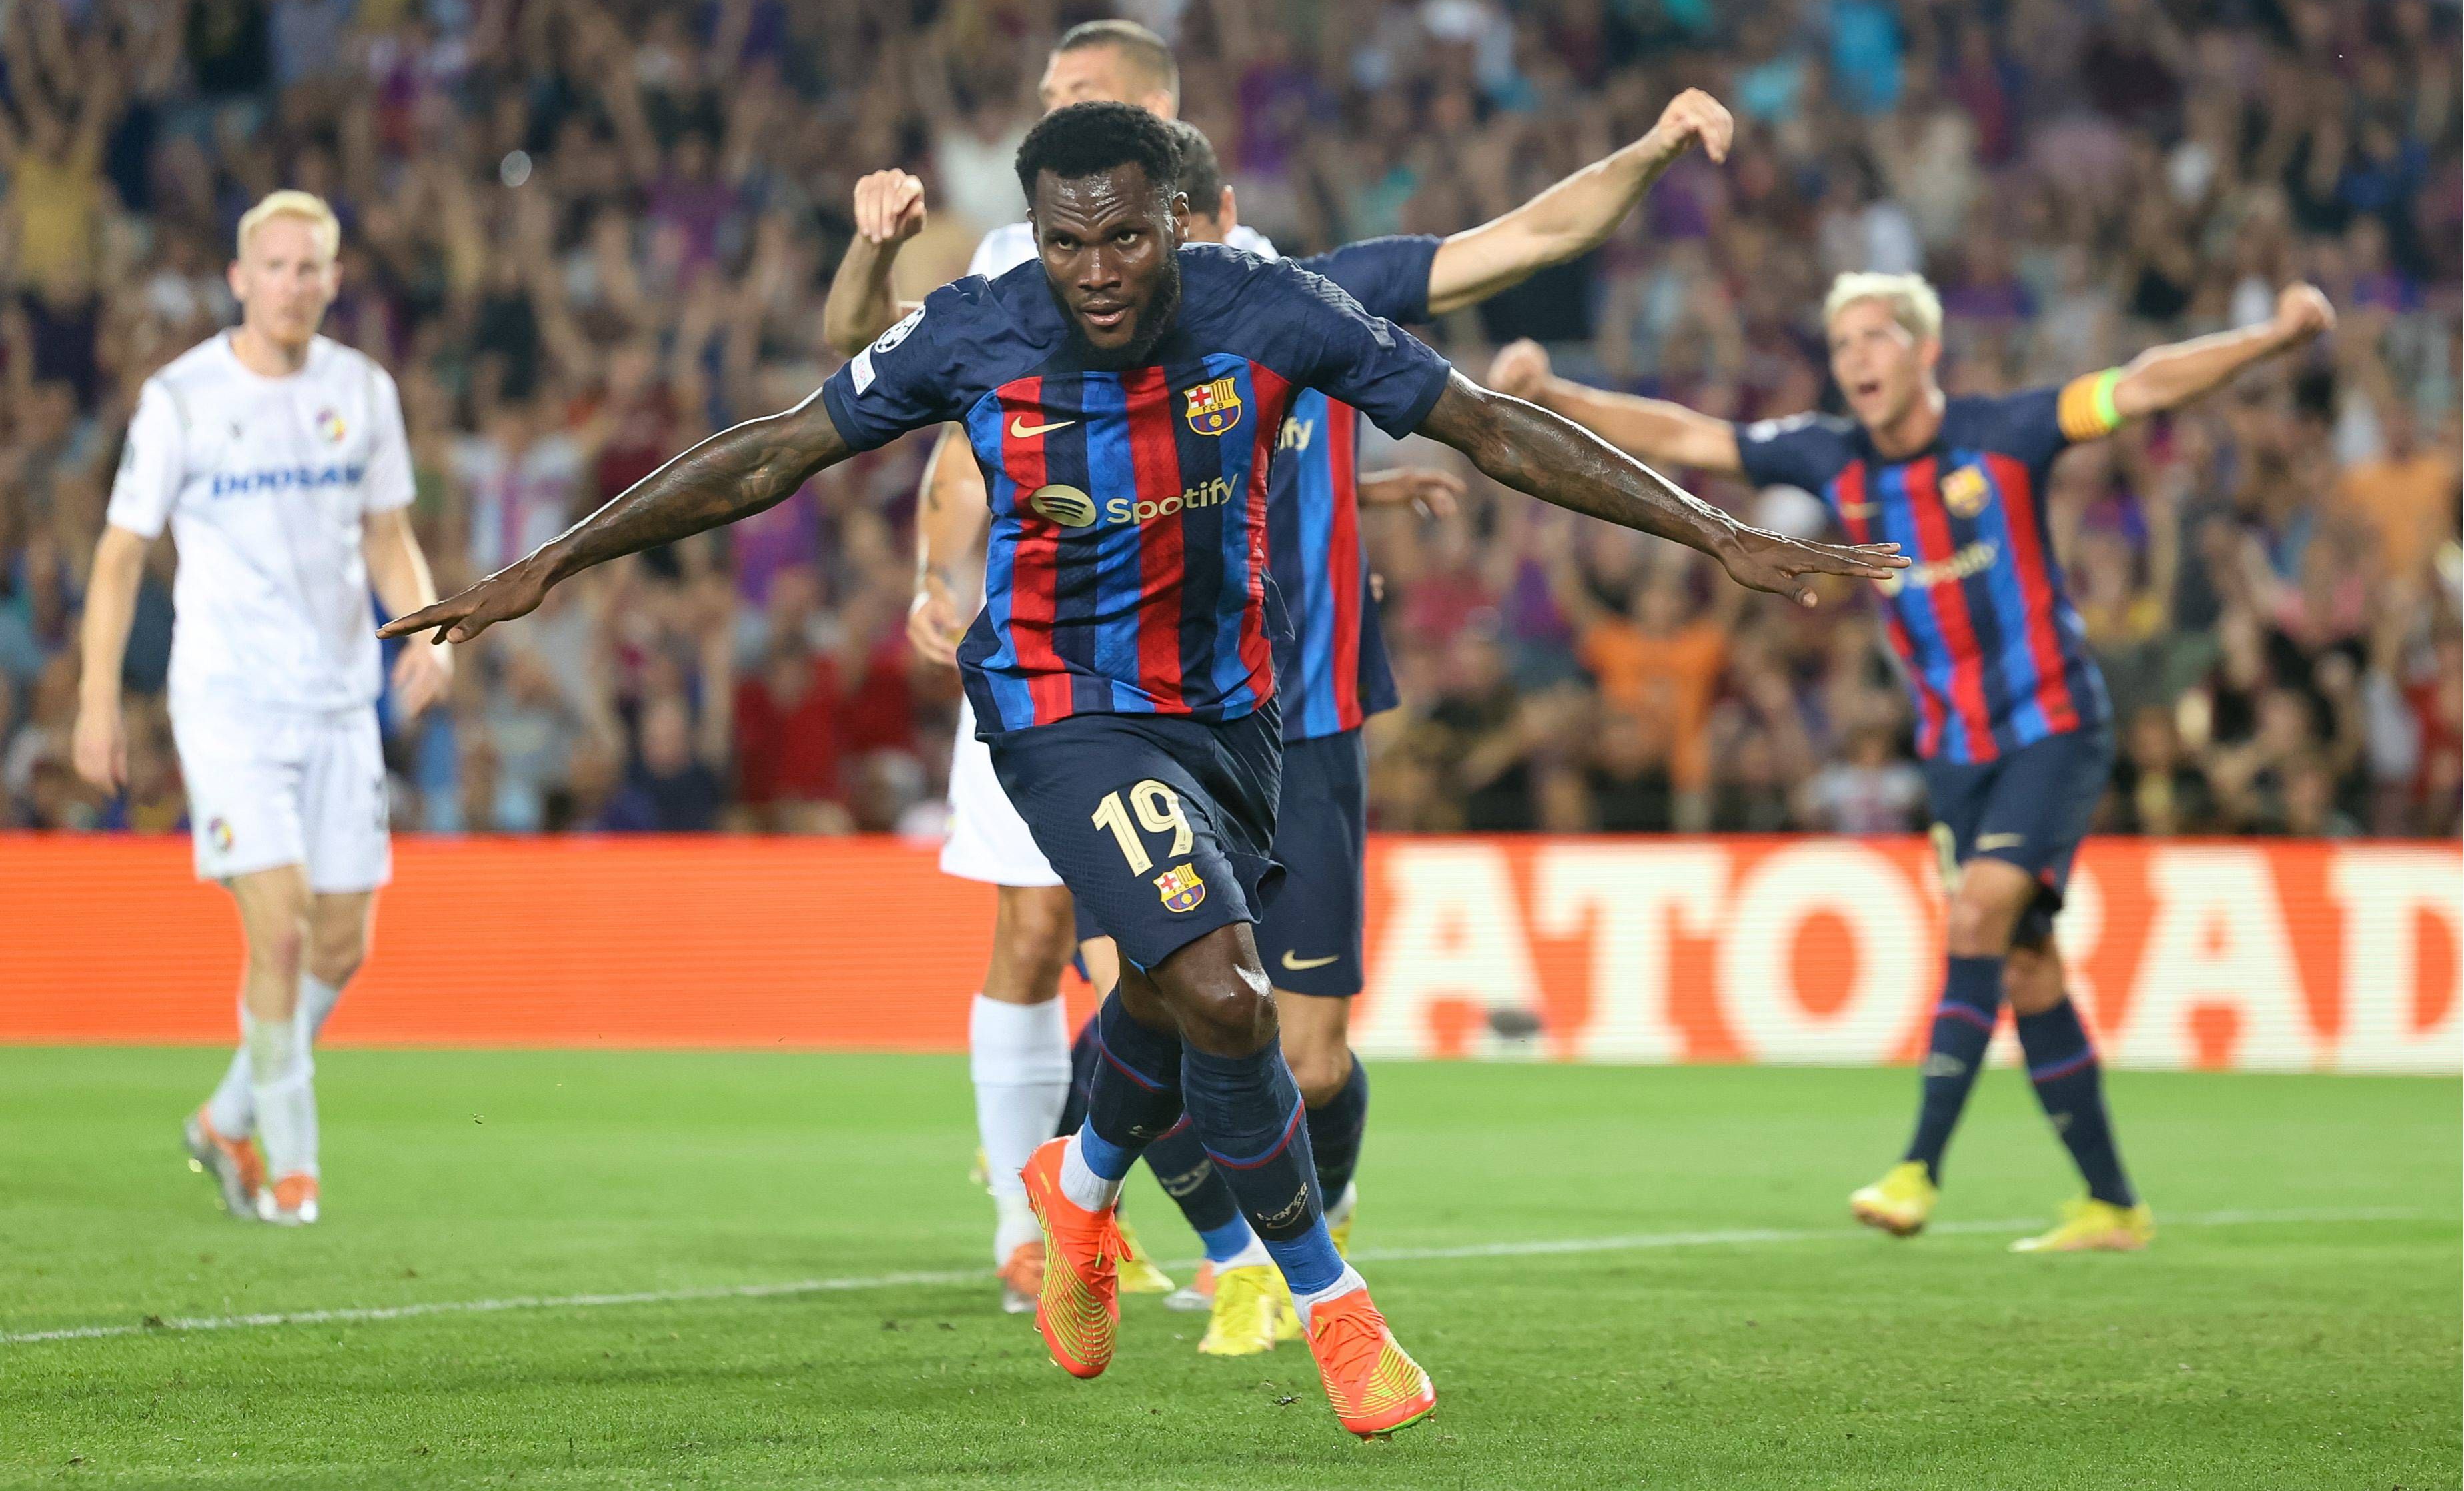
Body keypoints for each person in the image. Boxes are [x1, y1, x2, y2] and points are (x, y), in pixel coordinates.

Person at [382, 103, 1900, 1436]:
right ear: (1034, 234)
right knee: (1227, 986)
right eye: (1065, 242)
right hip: (1057, 703)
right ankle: (1331, 1303)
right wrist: (554, 562)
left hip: (1230, 711)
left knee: (1166, 996)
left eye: (1120, 237)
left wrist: (1718, 536)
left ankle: (1080, 1184)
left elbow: (1488, 425)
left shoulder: (1263, 307)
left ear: (1173, 222)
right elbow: (773, 448)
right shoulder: (977, 330)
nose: (1094, 269)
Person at [1489, 271, 2335, 1253]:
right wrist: (1551, 393)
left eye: (1876, 336)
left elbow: (2142, 385)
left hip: (2051, 726)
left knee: (1977, 915)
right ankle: (2111, 1204)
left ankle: (1917, 1168)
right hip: (1953, 754)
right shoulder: (1830, 456)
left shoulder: (2008, 431)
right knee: (2022, 963)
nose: (1856, 358)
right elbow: (1685, 436)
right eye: (1841, 342)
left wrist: (2272, 336)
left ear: (1924, 351)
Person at [1135, 98, 1736, 1357]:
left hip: (1305, 727)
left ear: (1226, 223)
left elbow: (1522, 240)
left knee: (1307, 1059)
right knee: (1159, 999)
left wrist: (1648, 147)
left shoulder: (1319, 300)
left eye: (1187, 237)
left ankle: (1323, 1209)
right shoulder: (1097, 332)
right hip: (1156, 727)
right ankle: (1232, 1258)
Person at [818, 21, 1250, 1316]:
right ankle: (1032, 1223)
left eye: (1083, 98)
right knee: (1033, 924)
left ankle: (1125, 1206)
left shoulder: (1228, 269)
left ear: (1158, 126)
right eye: (1049, 95)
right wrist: (935, 577)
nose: (1051, 117)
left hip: (1183, 662)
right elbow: (902, 401)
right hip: (1037, 649)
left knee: (1162, 959)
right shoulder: (1011, 264)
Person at [73, 190, 452, 1227]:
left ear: (332, 281)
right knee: (278, 936)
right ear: (240, 280)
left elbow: (385, 534)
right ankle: (293, 1169)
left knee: (342, 944)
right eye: (274, 267)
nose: (292, 285)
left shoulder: (361, 392)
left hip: (339, 701)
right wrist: (98, 697)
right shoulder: (182, 399)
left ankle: (226, 1117)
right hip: (231, 701)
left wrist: (423, 626)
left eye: (310, 268)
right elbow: (118, 554)